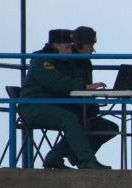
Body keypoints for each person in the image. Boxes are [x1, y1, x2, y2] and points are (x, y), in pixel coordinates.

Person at [18, 28, 110, 169]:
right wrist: (85, 87)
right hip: (34, 106)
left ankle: (55, 158)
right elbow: (58, 83)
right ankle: (87, 161)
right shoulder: (42, 60)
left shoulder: (62, 61)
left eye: (71, 47)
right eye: (67, 47)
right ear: (55, 45)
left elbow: (66, 82)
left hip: (53, 105)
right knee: (69, 119)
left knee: (87, 119)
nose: (69, 51)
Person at [55, 25, 119, 164]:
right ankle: (66, 156)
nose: (93, 50)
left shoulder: (84, 61)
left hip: (84, 108)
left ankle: (78, 156)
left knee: (110, 128)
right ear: (79, 45)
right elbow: (67, 85)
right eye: (90, 45)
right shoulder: (68, 61)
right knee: (80, 124)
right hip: (71, 107)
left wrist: (91, 91)